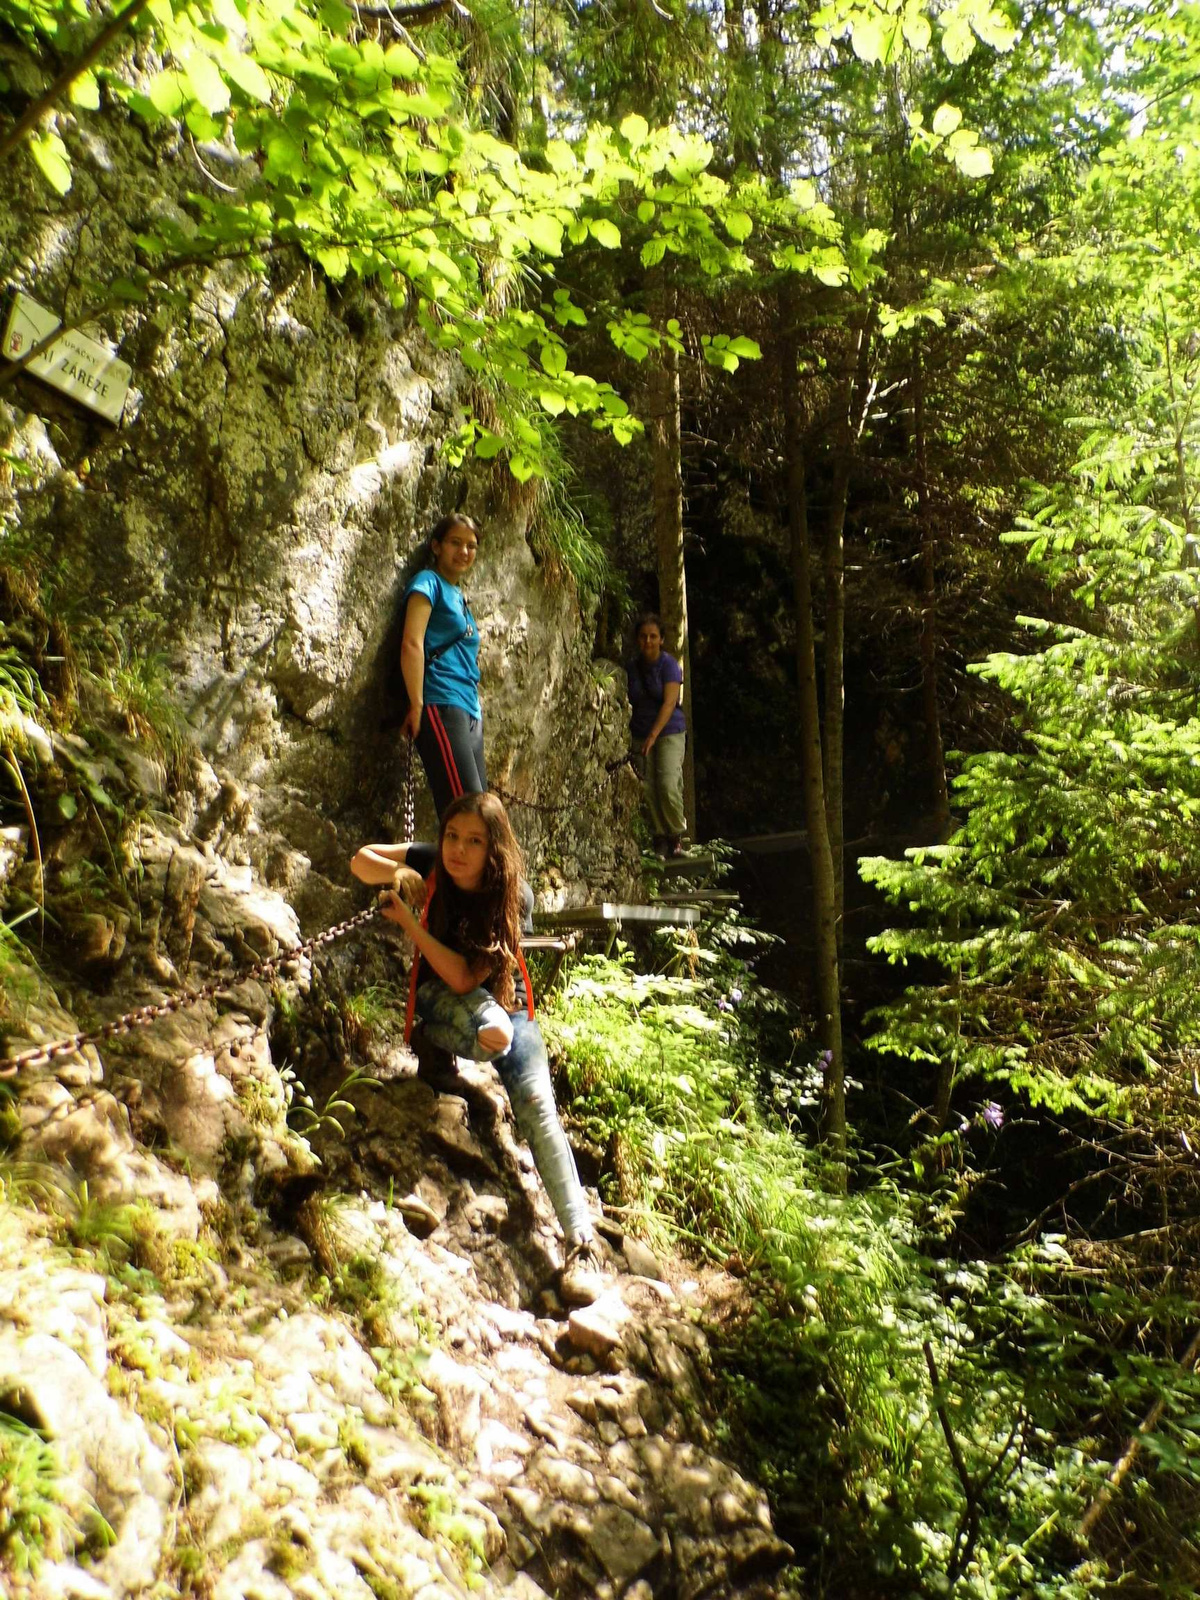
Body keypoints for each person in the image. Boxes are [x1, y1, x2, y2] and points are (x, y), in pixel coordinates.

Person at [350, 792, 605, 1306]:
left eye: (473, 841)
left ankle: (580, 1241)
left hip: (498, 1009)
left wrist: (409, 924)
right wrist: (400, 875)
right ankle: (433, 1042)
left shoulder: (512, 897)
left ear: (495, 850)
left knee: (537, 1107)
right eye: (451, 837)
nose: (458, 850)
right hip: (440, 1001)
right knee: (488, 1028)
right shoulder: (435, 860)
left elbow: (466, 976)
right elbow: (360, 860)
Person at [400, 514, 486, 819]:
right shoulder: (428, 582)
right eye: (455, 542)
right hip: (441, 702)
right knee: (467, 814)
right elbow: (412, 642)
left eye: (471, 546)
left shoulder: (459, 596)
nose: (464, 551)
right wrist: (416, 704)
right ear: (436, 546)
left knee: (479, 812)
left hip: (468, 709)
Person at [627, 612, 687, 857]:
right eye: (643, 637)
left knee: (668, 784)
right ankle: (659, 837)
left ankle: (676, 836)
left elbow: (670, 702)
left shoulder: (669, 665)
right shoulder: (631, 667)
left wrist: (652, 736)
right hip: (640, 733)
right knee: (648, 788)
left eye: (653, 636)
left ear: (661, 639)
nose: (648, 641)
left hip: (668, 731)